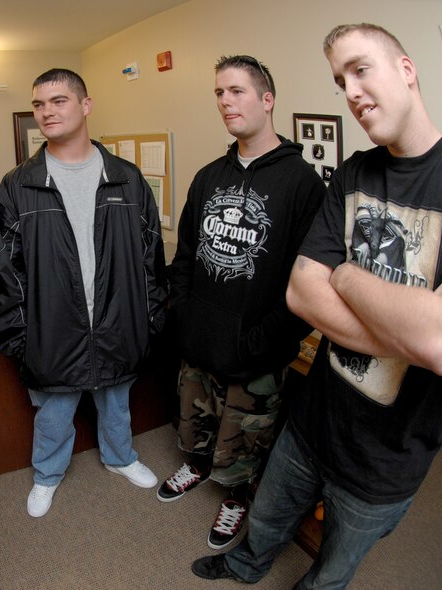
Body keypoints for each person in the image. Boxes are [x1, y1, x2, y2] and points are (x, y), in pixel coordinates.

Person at [191, 23, 442, 588]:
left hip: (390, 452)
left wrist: (345, 276)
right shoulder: (356, 171)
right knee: (265, 519)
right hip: (315, 417)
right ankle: (242, 564)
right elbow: (301, 291)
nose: (352, 92)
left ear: (406, 69)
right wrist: (413, 322)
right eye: (341, 80)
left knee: (335, 565)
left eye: (361, 69)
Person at [158, 55, 325, 551]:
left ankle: (235, 498)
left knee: (244, 443)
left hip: (256, 355)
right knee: (194, 424)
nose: (225, 102)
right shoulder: (210, 176)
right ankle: (194, 467)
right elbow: (185, 255)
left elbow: (308, 285)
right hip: (199, 340)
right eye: (219, 93)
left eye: (236, 91)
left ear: (266, 99)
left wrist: (258, 343)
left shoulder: (303, 186)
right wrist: (184, 318)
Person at [0, 68, 168, 518]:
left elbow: (151, 257)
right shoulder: (17, 185)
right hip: (54, 327)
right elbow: (6, 270)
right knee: (53, 414)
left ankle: (120, 457)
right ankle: (47, 475)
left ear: (85, 106)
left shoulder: (127, 178)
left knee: (116, 403)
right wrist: (17, 336)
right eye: (39, 104)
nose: (47, 112)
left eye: (58, 101)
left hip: (116, 319)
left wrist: (151, 320)